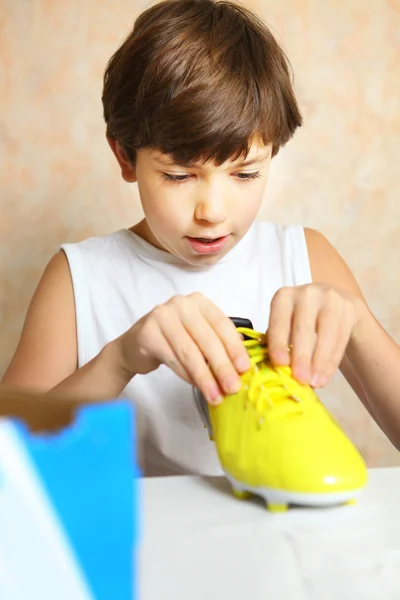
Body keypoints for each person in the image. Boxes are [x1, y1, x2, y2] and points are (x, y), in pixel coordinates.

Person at [2, 0, 399, 476]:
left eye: (246, 173)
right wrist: (120, 359)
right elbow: (10, 461)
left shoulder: (305, 257)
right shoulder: (78, 278)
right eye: (179, 176)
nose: (212, 212)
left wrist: (356, 323)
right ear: (125, 157)